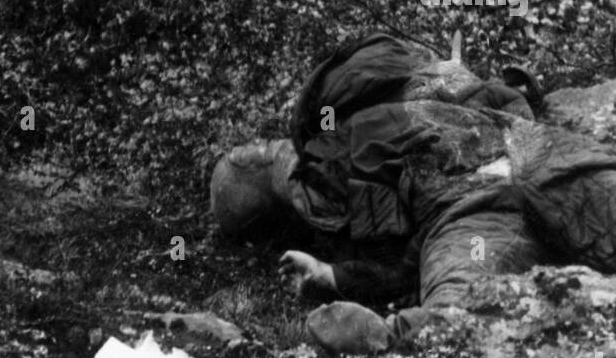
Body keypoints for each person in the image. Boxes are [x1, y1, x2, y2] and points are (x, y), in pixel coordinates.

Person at [211, 33, 616, 339]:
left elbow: (393, 257)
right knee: (459, 321)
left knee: (457, 321)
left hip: (516, 167)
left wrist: (335, 277)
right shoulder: (320, 159)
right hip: (498, 186)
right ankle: (384, 338)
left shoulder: (332, 147)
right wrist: (333, 276)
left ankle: (385, 338)